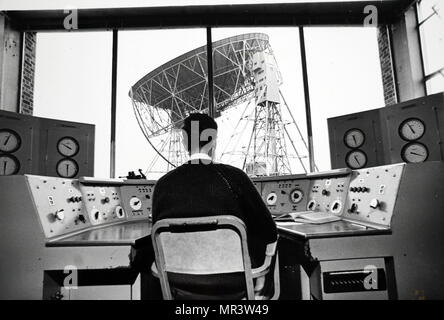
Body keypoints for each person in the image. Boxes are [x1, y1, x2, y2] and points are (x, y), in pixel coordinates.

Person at [151, 112, 277, 299]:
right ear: (214, 141)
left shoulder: (162, 185)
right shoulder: (236, 177)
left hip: (179, 281)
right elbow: (268, 230)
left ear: (185, 141)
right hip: (235, 282)